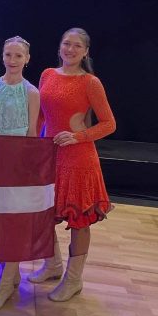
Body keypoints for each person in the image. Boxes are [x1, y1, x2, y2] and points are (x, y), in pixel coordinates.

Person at [30, 27, 115, 301]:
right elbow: (41, 116)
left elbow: (109, 124)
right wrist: (35, 143)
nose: (71, 49)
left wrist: (78, 137)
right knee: (44, 212)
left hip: (79, 159)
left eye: (77, 45)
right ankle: (52, 265)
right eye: (67, 43)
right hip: (50, 156)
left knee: (79, 220)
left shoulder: (91, 82)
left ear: (86, 52)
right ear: (59, 47)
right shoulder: (47, 74)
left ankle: (73, 279)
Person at [0, 36, 40, 310]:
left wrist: (30, 171)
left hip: (17, 163)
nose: (12, 60)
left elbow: (32, 132)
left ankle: (6, 285)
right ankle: (9, 275)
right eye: (8, 55)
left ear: (27, 59)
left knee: (14, 222)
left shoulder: (32, 92)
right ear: (2, 56)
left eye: (18, 56)